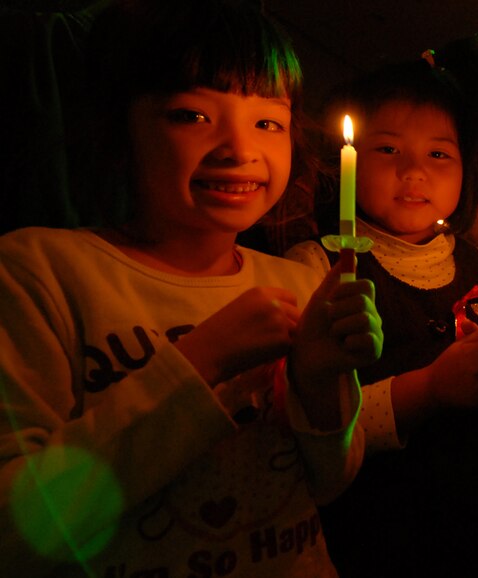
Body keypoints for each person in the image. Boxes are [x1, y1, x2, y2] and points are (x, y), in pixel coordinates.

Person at [0, 1, 383, 577]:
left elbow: (330, 481)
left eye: (268, 122)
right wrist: (204, 358)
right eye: (191, 115)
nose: (239, 149)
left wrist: (318, 379)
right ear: (120, 126)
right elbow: (16, 531)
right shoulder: (39, 270)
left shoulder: (301, 282)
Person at [285, 36, 478, 578]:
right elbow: (309, 433)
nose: (415, 171)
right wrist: (432, 389)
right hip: (378, 531)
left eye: (439, 153)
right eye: (389, 149)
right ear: (345, 160)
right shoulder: (312, 268)